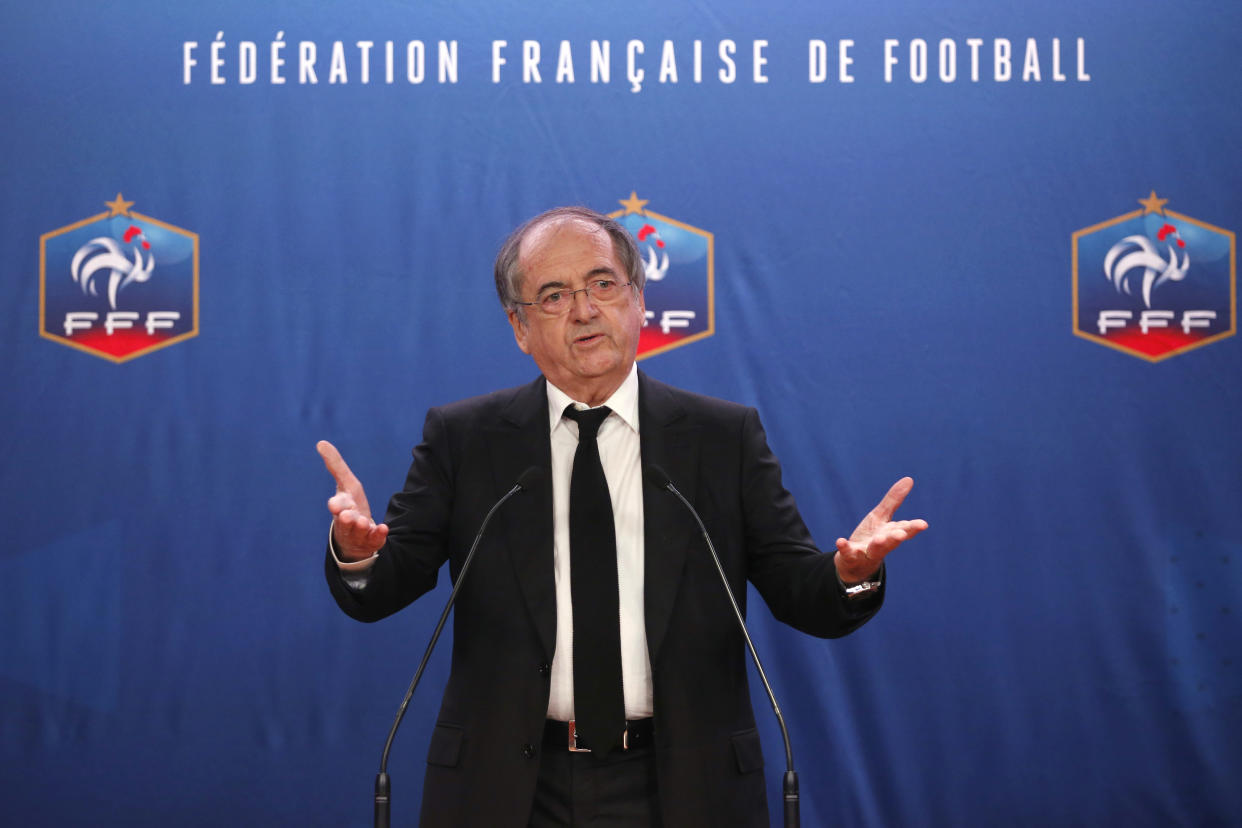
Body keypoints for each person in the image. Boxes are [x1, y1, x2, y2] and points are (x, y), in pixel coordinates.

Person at [318, 206, 927, 827]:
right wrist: (359, 554)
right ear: (519, 327)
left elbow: (801, 592)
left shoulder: (721, 438)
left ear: (639, 302)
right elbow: (383, 588)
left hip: (684, 785)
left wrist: (851, 574)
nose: (584, 310)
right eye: (553, 295)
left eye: (603, 285)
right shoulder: (466, 439)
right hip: (509, 789)